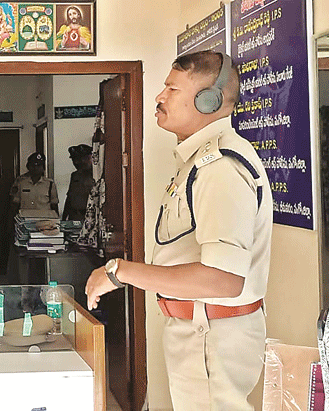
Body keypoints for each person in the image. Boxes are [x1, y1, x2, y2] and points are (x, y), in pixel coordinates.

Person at [86, 51, 272, 410]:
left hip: (211, 334)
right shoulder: (199, 162)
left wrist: (120, 272)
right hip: (200, 329)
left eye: (172, 89)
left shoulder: (220, 169)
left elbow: (223, 279)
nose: (160, 97)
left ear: (208, 101)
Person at [62, 143, 94, 221]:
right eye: (74, 159)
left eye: (81, 159)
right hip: (74, 217)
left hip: (90, 218)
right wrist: (63, 219)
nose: (76, 162)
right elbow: (69, 199)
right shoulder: (75, 176)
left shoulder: (97, 176)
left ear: (90, 157)